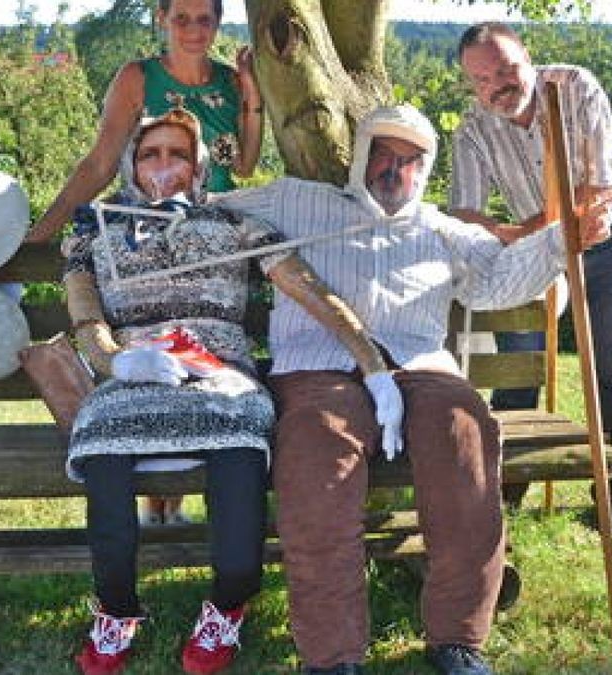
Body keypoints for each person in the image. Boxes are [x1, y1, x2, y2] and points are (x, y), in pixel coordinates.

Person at [212, 104, 609, 674]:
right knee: (316, 449)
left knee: (464, 428)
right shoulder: (296, 201)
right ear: (361, 155)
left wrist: (560, 239)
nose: (394, 171)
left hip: (419, 365)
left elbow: (499, 277)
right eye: (383, 155)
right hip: (319, 367)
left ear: (426, 171)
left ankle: (458, 638)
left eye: (410, 161)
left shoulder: (442, 230)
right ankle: (332, 655)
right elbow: (205, 213)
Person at [62, 109, 401, 675]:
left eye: (177, 155)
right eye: (151, 154)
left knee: (241, 421)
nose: (164, 166)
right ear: (132, 167)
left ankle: (228, 603)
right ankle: (116, 608)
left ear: (198, 170)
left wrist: (373, 364)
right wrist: (117, 363)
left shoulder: (237, 225)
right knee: (100, 429)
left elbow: (308, 289)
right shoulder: (94, 229)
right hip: (137, 371)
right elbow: (84, 313)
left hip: (221, 370)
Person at [28, 0, 265, 527]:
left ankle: (180, 501)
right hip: (146, 223)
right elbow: (102, 158)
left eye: (205, 18)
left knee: (203, 349)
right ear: (162, 20)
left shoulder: (230, 80)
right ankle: (153, 499)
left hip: (212, 232)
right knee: (152, 332)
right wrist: (42, 231)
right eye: (181, 18)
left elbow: (243, 165)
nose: (194, 29)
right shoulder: (139, 77)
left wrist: (250, 93)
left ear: (218, 23)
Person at [449, 22, 612, 535]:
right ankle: (501, 493)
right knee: (519, 366)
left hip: (608, 235)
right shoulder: (472, 128)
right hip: (535, 250)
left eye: (507, 69)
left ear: (528, 57)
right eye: (483, 78)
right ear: (472, 84)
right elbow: (464, 219)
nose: (498, 85)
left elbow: (595, 193)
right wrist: (527, 235)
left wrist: (516, 230)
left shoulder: (576, 87)